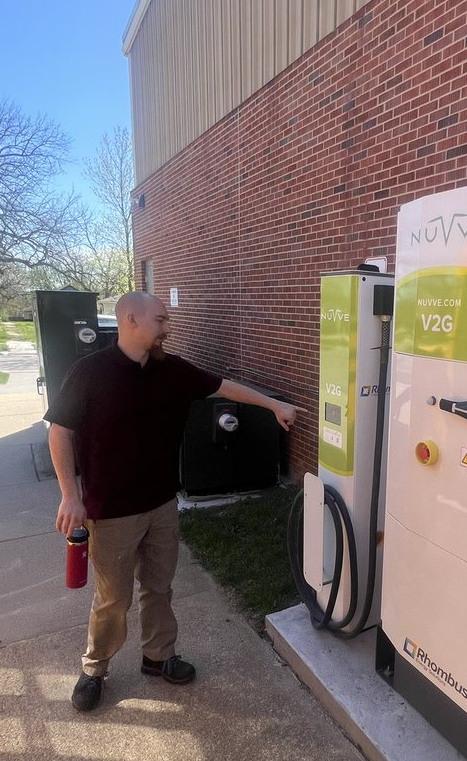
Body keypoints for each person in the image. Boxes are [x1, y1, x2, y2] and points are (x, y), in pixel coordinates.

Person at [45, 291, 303, 713]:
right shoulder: (89, 372)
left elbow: (224, 386)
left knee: (159, 588)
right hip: (110, 511)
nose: (168, 327)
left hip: (162, 503)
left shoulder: (171, 369)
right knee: (113, 598)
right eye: (161, 320)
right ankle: (95, 669)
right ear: (132, 319)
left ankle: (158, 657)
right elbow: (60, 431)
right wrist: (70, 495)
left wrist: (273, 404)